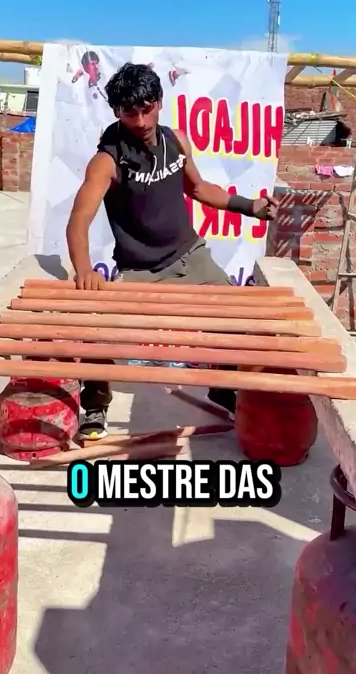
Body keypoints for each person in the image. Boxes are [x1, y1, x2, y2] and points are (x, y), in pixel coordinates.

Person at [66, 62, 278, 439]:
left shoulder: (176, 141)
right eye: (129, 112)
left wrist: (251, 206)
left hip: (191, 255)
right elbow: (78, 221)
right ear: (116, 112)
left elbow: (198, 188)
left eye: (147, 108)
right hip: (140, 270)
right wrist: (84, 270)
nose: (141, 121)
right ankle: (95, 406)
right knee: (99, 332)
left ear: (160, 102)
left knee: (242, 322)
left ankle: (223, 386)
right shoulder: (106, 161)